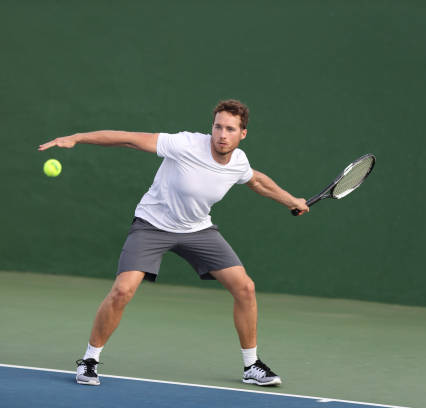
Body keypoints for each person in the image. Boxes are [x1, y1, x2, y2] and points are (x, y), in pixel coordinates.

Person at [38, 99, 309, 387]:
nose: (221, 134)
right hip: (152, 225)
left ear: (242, 134)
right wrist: (77, 138)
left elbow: (257, 181)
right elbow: (129, 140)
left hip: (197, 230)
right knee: (122, 291)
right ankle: (89, 360)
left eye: (230, 129)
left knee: (245, 287)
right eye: (218, 126)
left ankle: (251, 366)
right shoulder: (185, 145)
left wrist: (291, 201)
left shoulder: (239, 162)